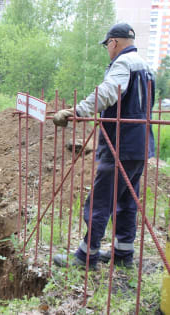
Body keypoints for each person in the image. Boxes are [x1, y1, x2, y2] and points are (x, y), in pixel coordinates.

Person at [52, 23, 155, 270]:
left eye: (107, 45)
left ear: (113, 43)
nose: (108, 50)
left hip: (120, 144)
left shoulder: (123, 64)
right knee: (127, 200)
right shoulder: (146, 66)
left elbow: (109, 91)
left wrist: (78, 111)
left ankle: (85, 257)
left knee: (100, 200)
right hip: (140, 145)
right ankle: (123, 253)